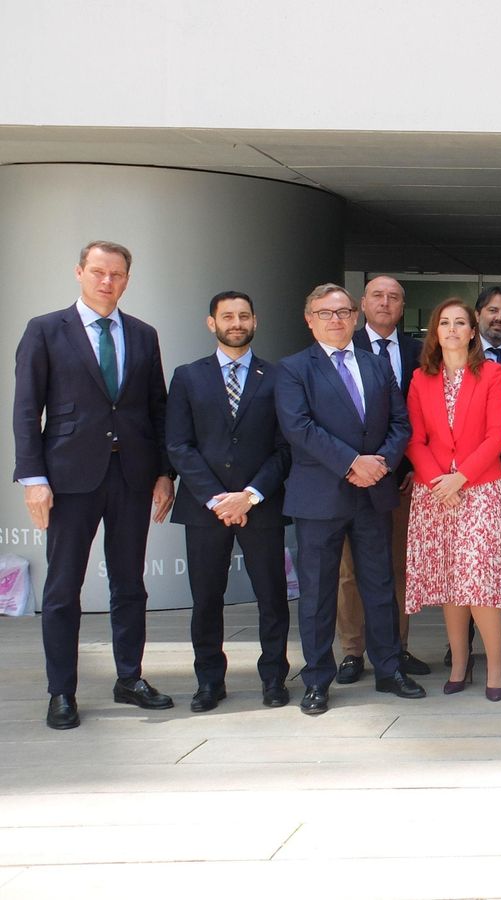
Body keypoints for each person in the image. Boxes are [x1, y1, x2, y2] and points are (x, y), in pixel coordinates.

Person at [14, 240, 177, 730]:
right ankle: (61, 691)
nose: (108, 282)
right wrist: (33, 477)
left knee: (130, 584)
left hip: (132, 474)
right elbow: (26, 409)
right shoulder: (45, 330)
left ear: (128, 280)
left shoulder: (144, 335)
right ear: (80, 272)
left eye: (118, 275)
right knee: (64, 587)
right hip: (68, 479)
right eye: (99, 272)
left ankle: (129, 678)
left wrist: (165, 472)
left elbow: (158, 408)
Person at [276, 283, 424, 714]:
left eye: (343, 312)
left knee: (379, 585)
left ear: (355, 317)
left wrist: (381, 463)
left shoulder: (377, 365)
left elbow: (401, 422)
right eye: (326, 313)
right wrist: (351, 463)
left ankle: (389, 669)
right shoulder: (293, 369)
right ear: (310, 320)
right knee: (319, 593)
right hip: (320, 498)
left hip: (374, 492)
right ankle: (317, 680)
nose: (336, 319)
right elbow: (298, 428)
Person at [166, 291, 292, 712]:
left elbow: (284, 447)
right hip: (207, 508)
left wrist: (250, 495)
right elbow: (178, 445)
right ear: (211, 323)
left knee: (272, 597)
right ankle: (208, 682)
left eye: (243, 316)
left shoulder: (277, 377)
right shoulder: (187, 376)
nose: (236, 322)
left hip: (262, 504)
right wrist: (218, 498)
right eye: (227, 316)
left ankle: (274, 677)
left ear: (255, 321)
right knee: (206, 599)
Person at [403, 299, 501, 700]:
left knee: (480, 582)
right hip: (435, 495)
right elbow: (414, 439)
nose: (451, 329)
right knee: (452, 581)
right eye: (444, 323)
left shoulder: (492, 374)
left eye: (460, 323)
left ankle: (496, 665)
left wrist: (461, 477)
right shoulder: (420, 379)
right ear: (435, 332)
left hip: (480, 490)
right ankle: (460, 663)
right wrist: (438, 481)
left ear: (472, 332)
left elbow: (498, 433)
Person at [335, 274, 429, 685]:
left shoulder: (420, 351)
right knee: (350, 571)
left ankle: (396, 648)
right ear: (362, 304)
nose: (386, 303)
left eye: (394, 298)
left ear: (402, 306)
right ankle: (353, 652)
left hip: (404, 478)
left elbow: (418, 418)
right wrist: (355, 465)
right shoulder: (341, 345)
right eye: (378, 295)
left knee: (398, 566)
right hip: (348, 477)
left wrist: (406, 468)